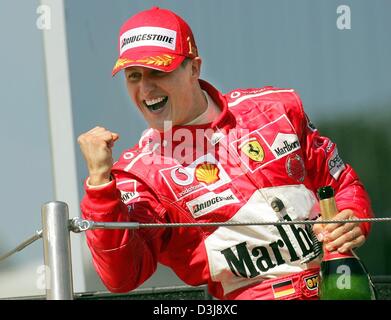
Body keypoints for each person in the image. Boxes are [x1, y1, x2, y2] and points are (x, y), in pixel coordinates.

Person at [78, 7, 373, 300]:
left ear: (194, 68)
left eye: (158, 71)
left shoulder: (276, 108)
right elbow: (122, 276)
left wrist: (352, 218)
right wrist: (101, 185)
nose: (146, 88)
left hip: (342, 288)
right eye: (133, 76)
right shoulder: (141, 173)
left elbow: (342, 185)